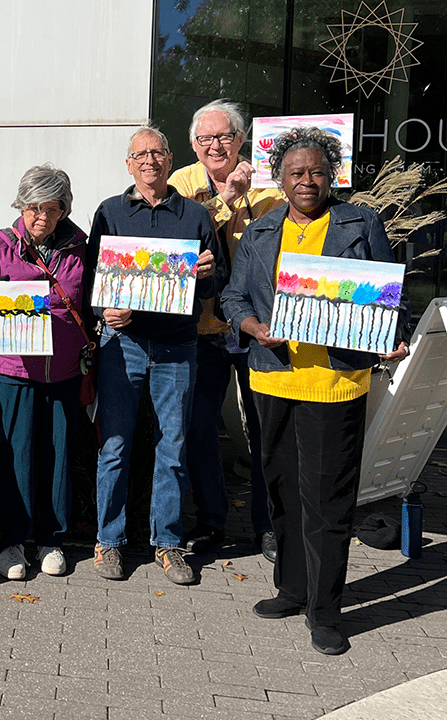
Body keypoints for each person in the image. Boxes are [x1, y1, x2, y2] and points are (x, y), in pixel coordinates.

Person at [220, 126, 409, 655]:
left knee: (327, 498)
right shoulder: (259, 232)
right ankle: (293, 588)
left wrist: (391, 337)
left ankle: (325, 611)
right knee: (280, 486)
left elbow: (391, 298)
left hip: (334, 379)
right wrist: (254, 327)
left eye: (318, 172)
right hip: (273, 376)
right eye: (297, 172)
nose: (308, 181)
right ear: (278, 178)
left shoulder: (360, 222)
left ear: (333, 176)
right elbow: (234, 297)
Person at [89, 125, 222, 585]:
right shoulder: (109, 213)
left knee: (173, 448)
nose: (149, 160)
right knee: (115, 446)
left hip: (177, 346)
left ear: (170, 161)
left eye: (158, 153)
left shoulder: (195, 216)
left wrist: (205, 273)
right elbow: (91, 281)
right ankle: (109, 542)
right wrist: (104, 310)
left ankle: (166, 543)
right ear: (129, 164)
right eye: (140, 154)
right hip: (121, 346)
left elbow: (211, 287)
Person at [170, 100, 286, 561]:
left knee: (265, 430)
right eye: (205, 139)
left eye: (223, 137)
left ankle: (269, 525)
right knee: (199, 429)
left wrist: (246, 202)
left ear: (241, 139)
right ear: (194, 145)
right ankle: (212, 521)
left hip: (257, 328)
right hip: (200, 330)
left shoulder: (274, 187)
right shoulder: (180, 182)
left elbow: (278, 250)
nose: (214, 146)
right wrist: (228, 202)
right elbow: (183, 241)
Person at [0, 164, 89, 579]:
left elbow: (92, 304)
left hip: (64, 368)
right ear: (21, 206)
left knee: (58, 454)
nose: (42, 217)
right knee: (16, 453)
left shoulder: (80, 249)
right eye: (34, 208)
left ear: (64, 210)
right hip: (12, 368)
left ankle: (52, 539)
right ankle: (13, 541)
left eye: (52, 209)